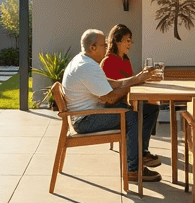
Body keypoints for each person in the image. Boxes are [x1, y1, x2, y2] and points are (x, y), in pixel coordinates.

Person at [63, 28, 163, 183]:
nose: (107, 47)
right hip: (85, 120)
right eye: (104, 44)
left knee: (148, 109)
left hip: (90, 114)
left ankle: (141, 154)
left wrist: (137, 78)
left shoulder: (84, 61)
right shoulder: (87, 66)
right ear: (92, 47)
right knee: (132, 117)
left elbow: (113, 83)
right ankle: (133, 170)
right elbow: (110, 99)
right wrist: (132, 85)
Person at [99, 23, 163, 168]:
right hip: (115, 105)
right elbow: (111, 92)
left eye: (130, 40)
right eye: (127, 40)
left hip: (126, 100)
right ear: (117, 40)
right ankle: (140, 152)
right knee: (143, 110)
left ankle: (142, 150)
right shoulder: (108, 62)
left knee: (152, 108)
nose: (130, 44)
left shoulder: (125, 61)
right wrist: (138, 79)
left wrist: (145, 77)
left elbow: (131, 82)